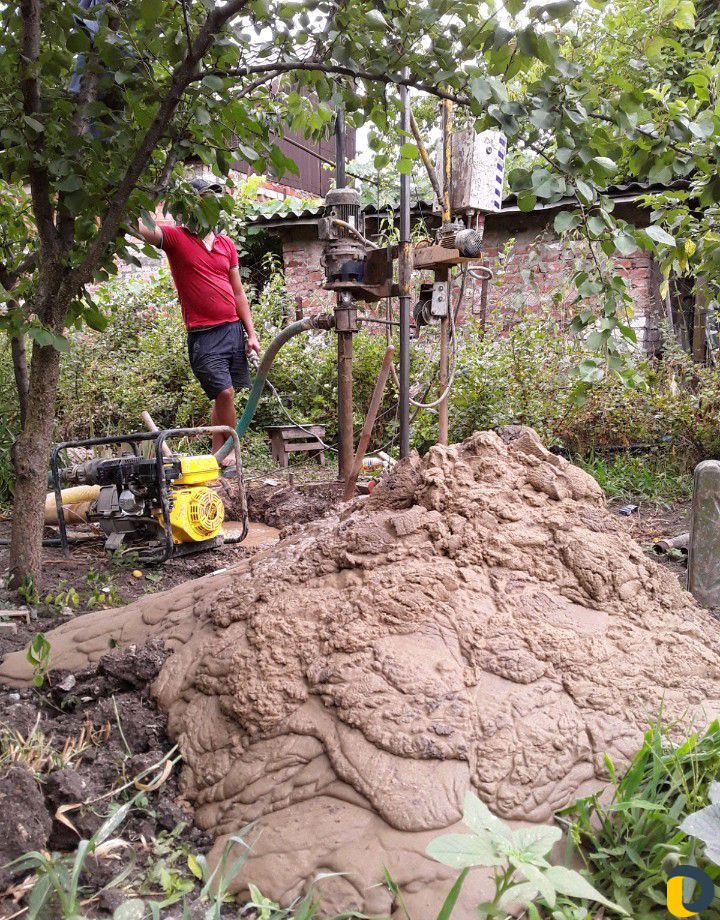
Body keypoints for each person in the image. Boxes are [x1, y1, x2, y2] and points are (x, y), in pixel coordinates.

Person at [138, 178, 261, 463]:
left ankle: (215, 457)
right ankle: (228, 453)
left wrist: (251, 333)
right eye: (204, 201)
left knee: (224, 396)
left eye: (214, 202)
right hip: (203, 334)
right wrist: (138, 196)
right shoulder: (177, 239)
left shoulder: (226, 244)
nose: (211, 207)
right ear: (189, 207)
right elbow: (140, 228)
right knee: (224, 392)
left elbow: (238, 293)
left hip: (233, 329)